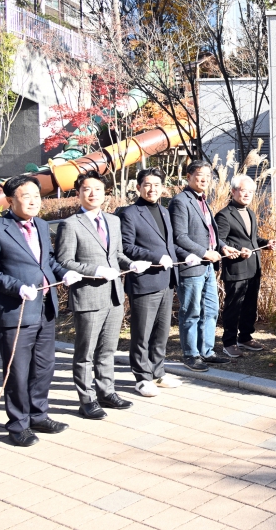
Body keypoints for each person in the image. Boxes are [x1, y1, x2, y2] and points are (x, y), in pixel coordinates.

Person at [0, 175, 74, 446]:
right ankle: (18, 425)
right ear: (10, 200)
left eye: (37, 196)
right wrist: (16, 287)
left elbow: (48, 261)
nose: (33, 201)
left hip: (45, 307)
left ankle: (38, 415)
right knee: (18, 370)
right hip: (15, 310)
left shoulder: (41, 225)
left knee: (44, 367)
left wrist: (66, 274)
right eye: (26, 196)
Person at [55, 171, 150, 419]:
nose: (93, 193)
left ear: (105, 192)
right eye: (86, 189)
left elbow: (116, 255)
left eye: (97, 189)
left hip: (114, 295)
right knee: (85, 352)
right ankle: (86, 400)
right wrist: (95, 271)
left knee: (108, 349)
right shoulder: (70, 224)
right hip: (88, 296)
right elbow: (64, 261)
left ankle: (107, 392)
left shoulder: (113, 221)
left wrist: (132, 263)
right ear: (78, 193)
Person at [119, 167, 183, 397]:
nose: (152, 189)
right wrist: (156, 258)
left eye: (156, 184)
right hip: (144, 281)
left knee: (161, 331)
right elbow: (126, 247)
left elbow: (169, 245)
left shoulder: (165, 212)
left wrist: (188, 255)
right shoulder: (129, 213)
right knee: (142, 332)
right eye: (147, 184)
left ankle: (158, 372)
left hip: (166, 281)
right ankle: (142, 377)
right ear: (138, 187)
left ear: (163, 188)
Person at [171, 160, 239, 371]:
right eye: (200, 175)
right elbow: (179, 236)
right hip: (192, 265)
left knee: (210, 310)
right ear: (189, 176)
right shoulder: (180, 201)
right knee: (191, 311)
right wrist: (204, 252)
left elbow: (209, 233)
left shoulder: (202, 200)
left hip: (209, 265)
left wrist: (222, 247)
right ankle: (191, 354)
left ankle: (207, 352)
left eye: (208, 177)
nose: (204, 179)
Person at [215, 174, 276, 358]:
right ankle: (229, 342)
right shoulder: (224, 215)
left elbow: (253, 239)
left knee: (250, 305)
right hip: (236, 268)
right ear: (233, 191)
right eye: (244, 191)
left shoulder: (250, 212)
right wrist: (236, 249)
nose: (248, 194)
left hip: (253, 267)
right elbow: (220, 241)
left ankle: (245, 337)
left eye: (251, 191)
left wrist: (266, 243)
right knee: (234, 305)